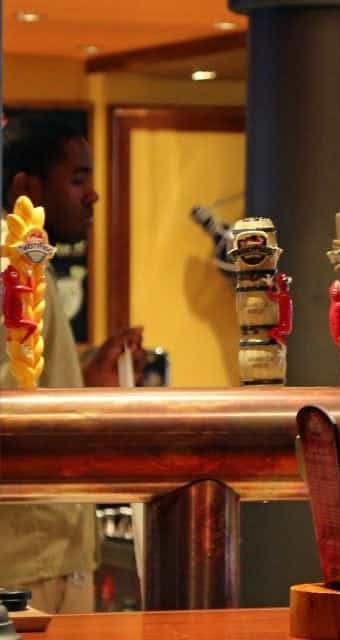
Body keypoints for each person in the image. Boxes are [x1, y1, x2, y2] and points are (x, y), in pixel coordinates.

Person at [1, 115, 146, 612]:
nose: (93, 195)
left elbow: (26, 386)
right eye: (77, 178)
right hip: (29, 558)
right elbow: (11, 413)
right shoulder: (12, 270)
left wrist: (88, 380)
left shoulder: (29, 261)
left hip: (47, 548)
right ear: (26, 187)